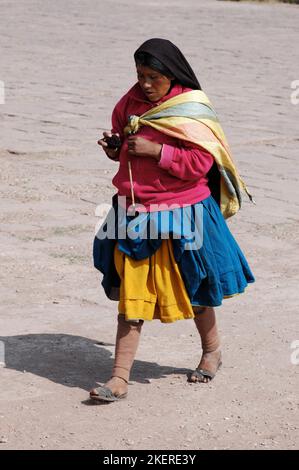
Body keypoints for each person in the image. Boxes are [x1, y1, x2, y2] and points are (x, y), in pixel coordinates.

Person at [90, 38, 255, 402]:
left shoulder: (190, 108)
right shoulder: (129, 103)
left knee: (195, 290)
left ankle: (212, 352)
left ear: (172, 75)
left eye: (154, 76)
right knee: (131, 299)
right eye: (140, 75)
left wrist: (158, 151)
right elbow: (122, 139)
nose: (145, 84)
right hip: (134, 213)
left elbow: (201, 163)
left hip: (185, 214)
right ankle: (118, 378)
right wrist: (115, 149)